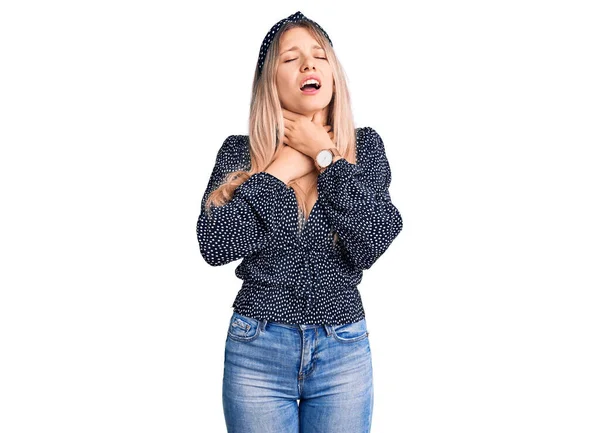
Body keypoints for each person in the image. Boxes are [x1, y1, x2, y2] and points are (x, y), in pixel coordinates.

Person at [196, 11, 403, 433]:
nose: (308, 65)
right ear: (270, 83)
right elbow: (214, 244)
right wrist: (279, 170)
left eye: (318, 55)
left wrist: (325, 157)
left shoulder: (365, 148)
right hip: (256, 349)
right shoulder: (239, 153)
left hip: (341, 349)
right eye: (290, 59)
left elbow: (371, 240)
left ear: (332, 72)